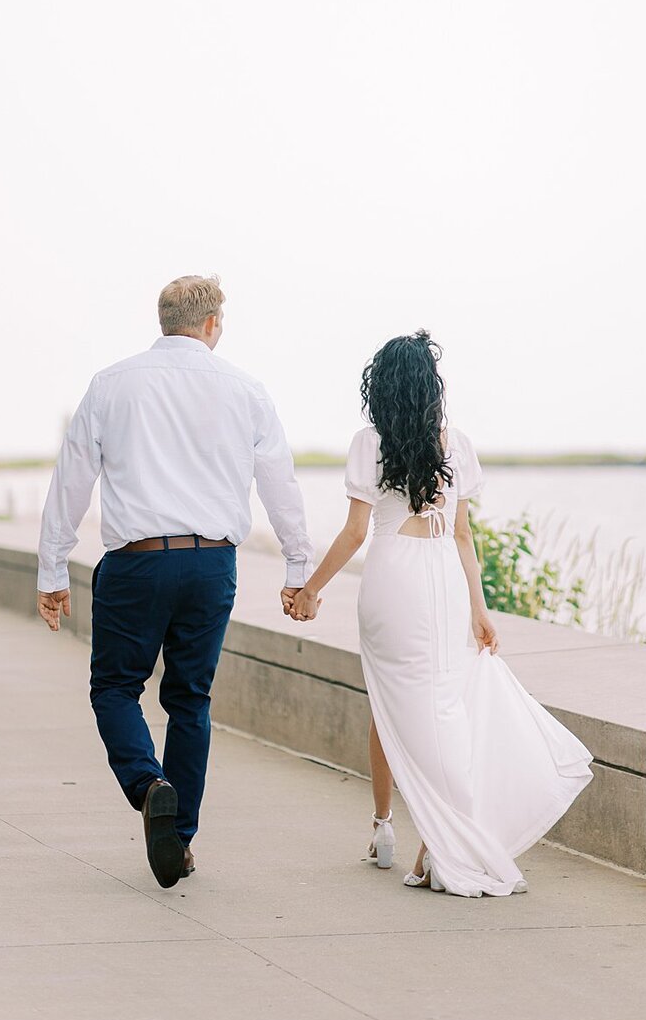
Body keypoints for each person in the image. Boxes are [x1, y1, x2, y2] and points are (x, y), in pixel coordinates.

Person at [288, 330, 592, 896]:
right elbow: (461, 534)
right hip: (444, 582)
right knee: (444, 705)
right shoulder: (458, 444)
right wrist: (478, 607)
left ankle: (416, 834)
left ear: (381, 385)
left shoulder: (369, 441)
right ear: (431, 387)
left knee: (395, 706)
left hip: (394, 579)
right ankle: (436, 839)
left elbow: (356, 531)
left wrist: (310, 589)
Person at [36, 274, 314, 888]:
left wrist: (53, 567)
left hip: (136, 562)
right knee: (190, 700)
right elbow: (279, 484)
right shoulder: (246, 389)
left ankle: (147, 783)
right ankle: (179, 838)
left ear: (163, 321)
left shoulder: (112, 383)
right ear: (213, 324)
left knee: (114, 686)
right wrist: (298, 568)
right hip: (213, 563)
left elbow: (72, 477)